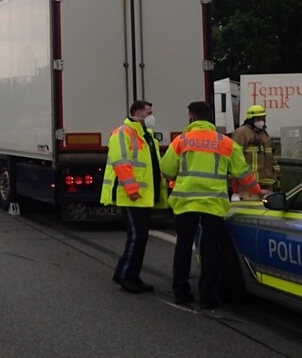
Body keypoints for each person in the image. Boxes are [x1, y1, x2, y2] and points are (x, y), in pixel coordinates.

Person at [160, 101, 261, 309]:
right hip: (213, 204)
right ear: (209, 117)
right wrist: (258, 191)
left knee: (184, 248)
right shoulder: (225, 142)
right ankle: (208, 296)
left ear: (191, 117)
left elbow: (167, 170)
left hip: (185, 203)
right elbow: (243, 173)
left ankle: (180, 292)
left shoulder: (181, 140)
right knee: (211, 250)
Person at [101, 100, 169, 293]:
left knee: (141, 238)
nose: (152, 116)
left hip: (143, 196)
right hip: (132, 196)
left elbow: (154, 166)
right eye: (149, 113)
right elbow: (121, 163)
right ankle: (124, 275)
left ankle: (132, 275)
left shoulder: (146, 137)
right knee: (137, 237)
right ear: (138, 113)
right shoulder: (123, 133)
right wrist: (131, 190)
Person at [231, 105, 280, 196]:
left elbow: (271, 158)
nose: (261, 121)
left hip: (267, 184)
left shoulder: (264, 133)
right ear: (250, 119)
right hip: (248, 185)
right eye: (258, 119)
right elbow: (234, 158)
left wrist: (277, 176)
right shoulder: (241, 133)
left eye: (262, 118)